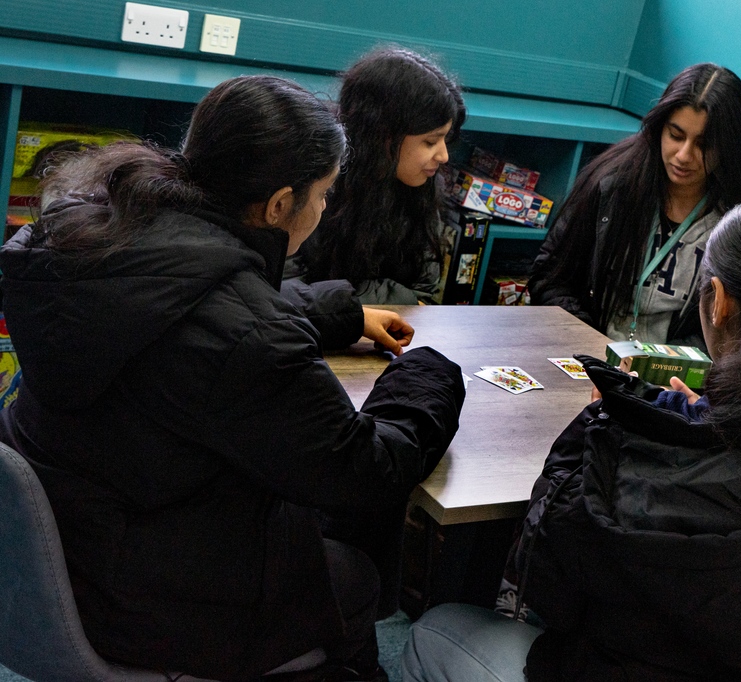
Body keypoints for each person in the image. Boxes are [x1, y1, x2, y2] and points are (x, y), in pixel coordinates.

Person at [0, 75, 466, 681]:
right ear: (278, 205)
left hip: (60, 556)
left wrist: (341, 311)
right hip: (151, 606)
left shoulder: (100, 233)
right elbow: (367, 470)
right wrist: (433, 374)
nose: (324, 211)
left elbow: (186, 302)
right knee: (352, 570)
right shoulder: (252, 340)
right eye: (323, 196)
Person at [403, 189, 741, 681]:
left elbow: (546, 579)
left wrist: (603, 425)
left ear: (719, 301)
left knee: (434, 631)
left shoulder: (643, 466)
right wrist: (703, 420)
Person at [528, 62, 741, 348]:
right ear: (659, 128)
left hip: (679, 380)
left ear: (730, 147)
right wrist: (593, 349)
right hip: (589, 356)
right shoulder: (610, 185)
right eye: (675, 135)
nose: (683, 155)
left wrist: (672, 365)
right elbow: (549, 277)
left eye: (703, 144)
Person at [291, 46, 466, 305]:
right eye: (430, 142)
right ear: (382, 137)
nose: (443, 156)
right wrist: (392, 296)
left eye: (445, 140)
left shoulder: (422, 188)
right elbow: (287, 293)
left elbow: (424, 294)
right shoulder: (311, 180)